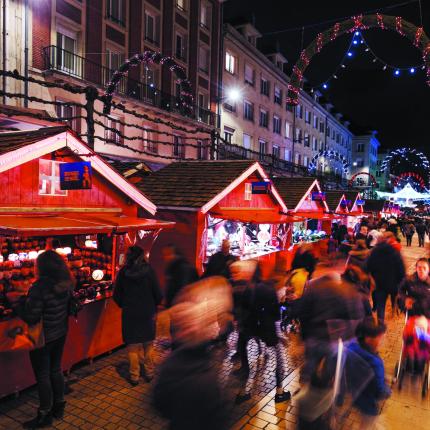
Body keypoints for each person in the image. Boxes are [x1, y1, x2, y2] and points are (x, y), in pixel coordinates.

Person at [14, 250, 75, 428]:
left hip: (42, 337)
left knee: (43, 375)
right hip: (60, 333)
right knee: (55, 370)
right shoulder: (66, 282)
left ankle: (44, 414)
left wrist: (17, 303)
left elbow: (31, 317)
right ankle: (59, 406)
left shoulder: (39, 287)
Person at [234, 260, 291, 404]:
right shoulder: (268, 289)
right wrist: (280, 335)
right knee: (279, 358)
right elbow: (275, 314)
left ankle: (242, 392)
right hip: (267, 330)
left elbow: (242, 310)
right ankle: (279, 392)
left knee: (246, 364)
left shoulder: (246, 289)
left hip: (249, 328)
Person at [297, 271, 365, 383]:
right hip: (333, 339)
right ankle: (323, 386)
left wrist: (304, 335)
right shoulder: (347, 291)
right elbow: (355, 316)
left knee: (311, 363)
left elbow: (302, 312)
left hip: (313, 336)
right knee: (329, 366)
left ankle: (309, 383)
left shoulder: (313, 286)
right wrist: (347, 337)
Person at [113, 245, 162, 385]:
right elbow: (158, 293)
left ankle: (134, 376)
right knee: (148, 345)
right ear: (142, 256)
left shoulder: (123, 273)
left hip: (130, 313)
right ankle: (149, 372)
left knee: (132, 346)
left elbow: (117, 295)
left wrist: (125, 305)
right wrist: (154, 304)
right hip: (147, 312)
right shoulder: (149, 271)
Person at [347, 319, 391, 427]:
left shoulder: (351, 347)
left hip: (355, 394)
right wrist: (388, 390)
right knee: (367, 424)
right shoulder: (375, 363)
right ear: (368, 339)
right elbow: (379, 390)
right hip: (369, 403)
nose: (383, 339)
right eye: (380, 337)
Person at [367, 233, 406, 322]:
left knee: (381, 304)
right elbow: (401, 269)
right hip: (393, 283)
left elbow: (368, 266)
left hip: (379, 284)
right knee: (394, 298)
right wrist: (400, 282)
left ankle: (381, 323)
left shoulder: (375, 251)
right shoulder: (394, 251)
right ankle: (393, 310)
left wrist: (373, 278)